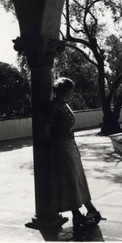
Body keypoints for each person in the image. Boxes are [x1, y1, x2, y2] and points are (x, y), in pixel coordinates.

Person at [42, 77, 103, 229]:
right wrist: (57, 143)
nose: (72, 94)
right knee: (69, 181)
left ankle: (89, 209)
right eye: (70, 91)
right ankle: (77, 214)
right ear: (63, 91)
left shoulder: (65, 105)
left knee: (78, 178)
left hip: (70, 146)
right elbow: (44, 131)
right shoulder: (53, 106)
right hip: (61, 147)